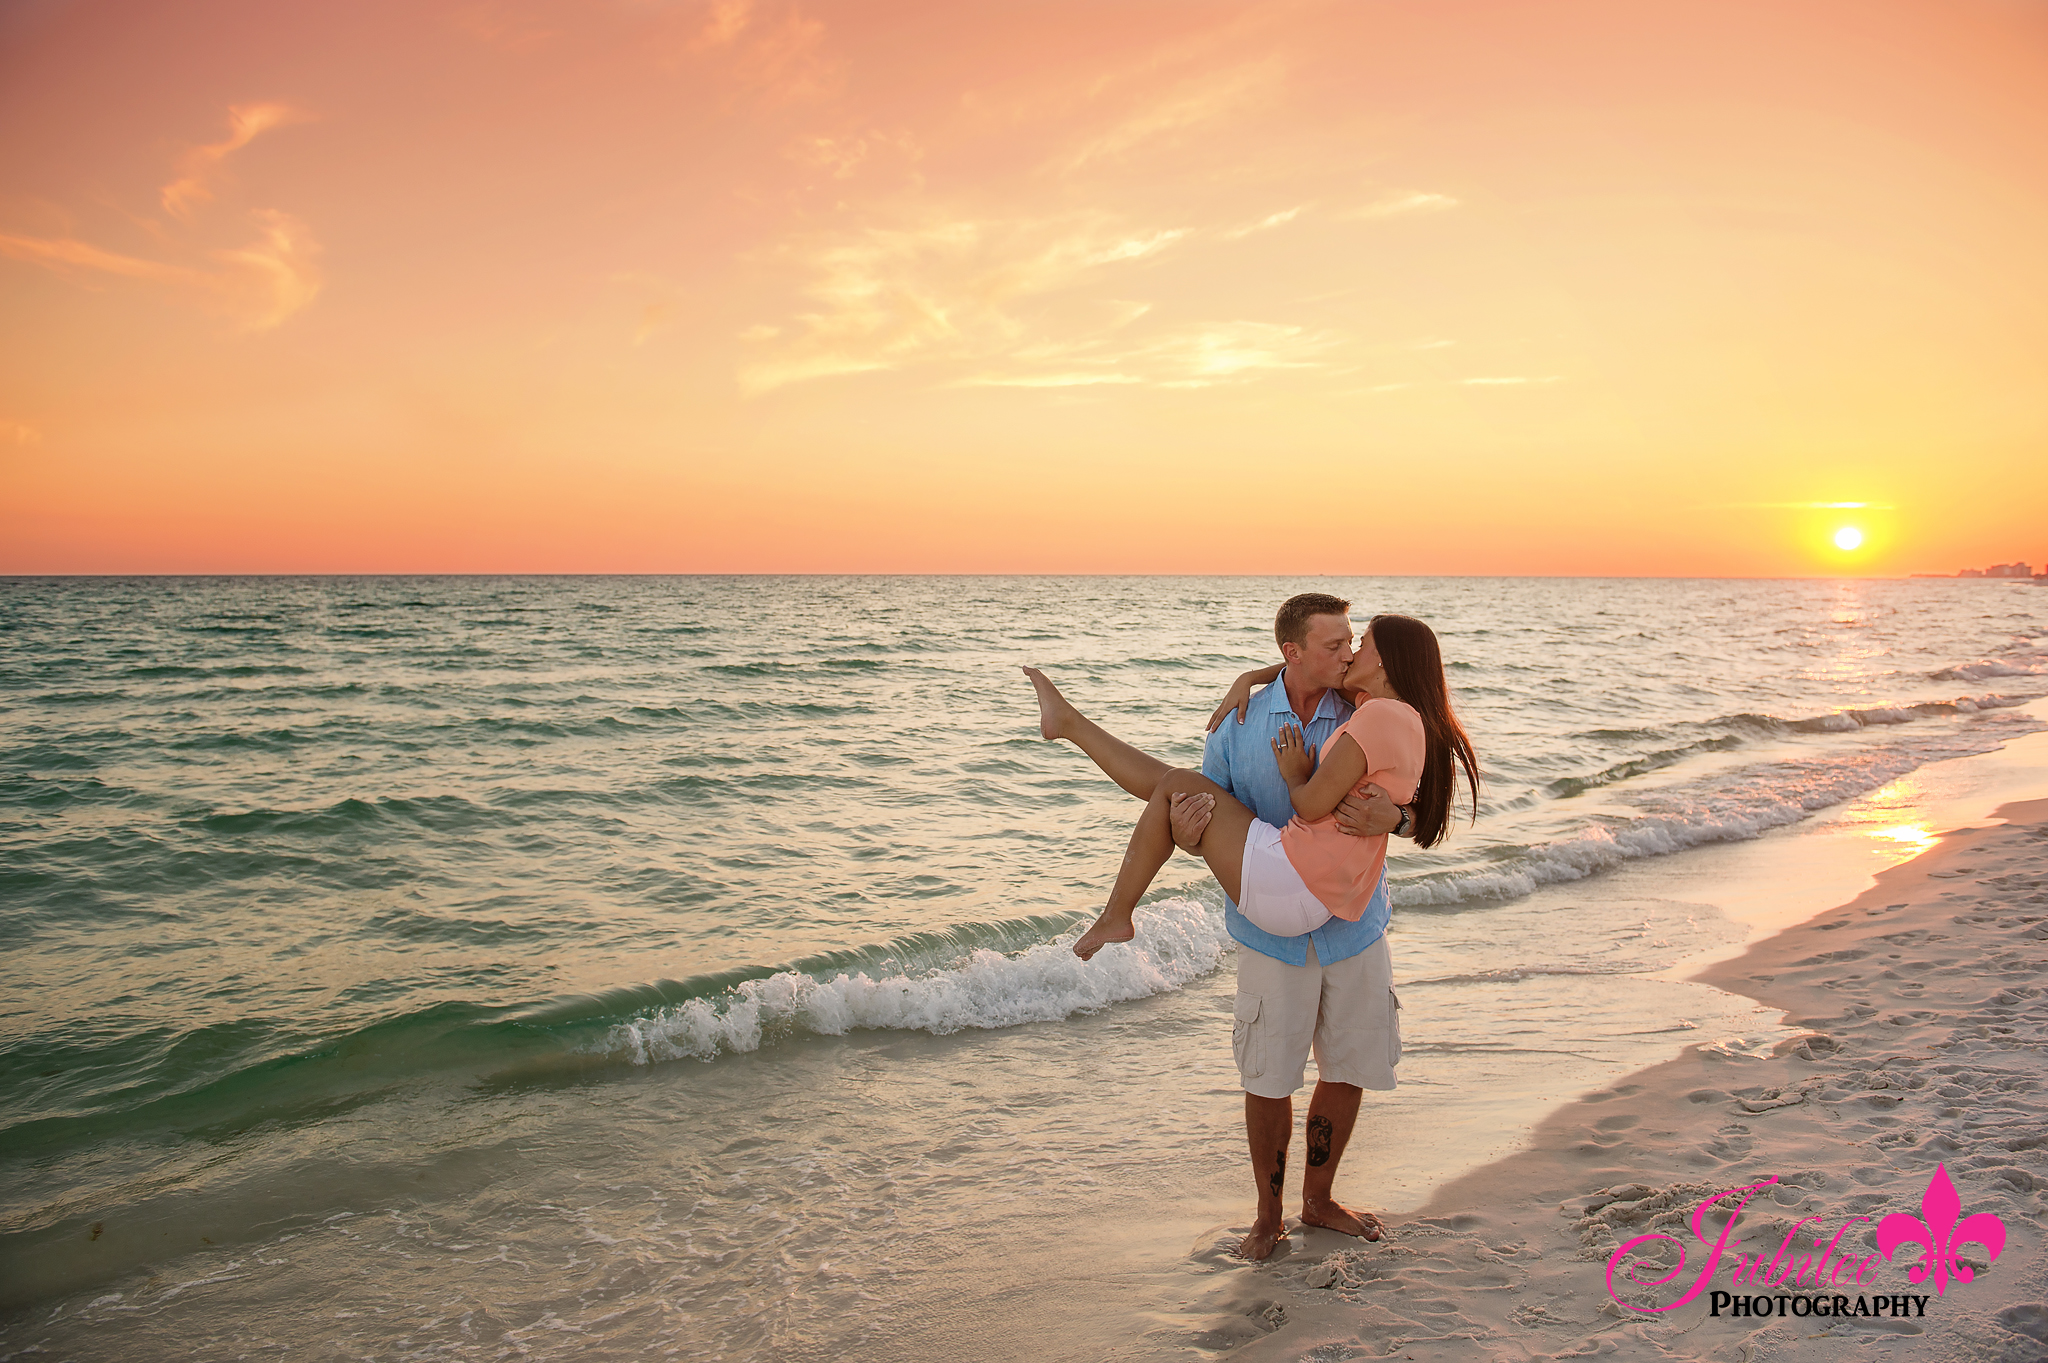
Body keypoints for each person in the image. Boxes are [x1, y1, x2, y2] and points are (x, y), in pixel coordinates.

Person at [1023, 594, 1479, 1259]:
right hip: (1273, 916)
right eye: (1336, 644)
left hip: (1353, 922)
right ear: (1292, 653)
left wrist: (1396, 820)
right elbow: (1199, 802)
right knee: (1268, 1074)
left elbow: (1429, 810)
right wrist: (1186, 825)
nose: (1350, 653)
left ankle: (1318, 1200)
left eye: (1356, 642)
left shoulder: (1365, 706)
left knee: (1348, 1065)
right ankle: (1269, 1217)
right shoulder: (1239, 720)